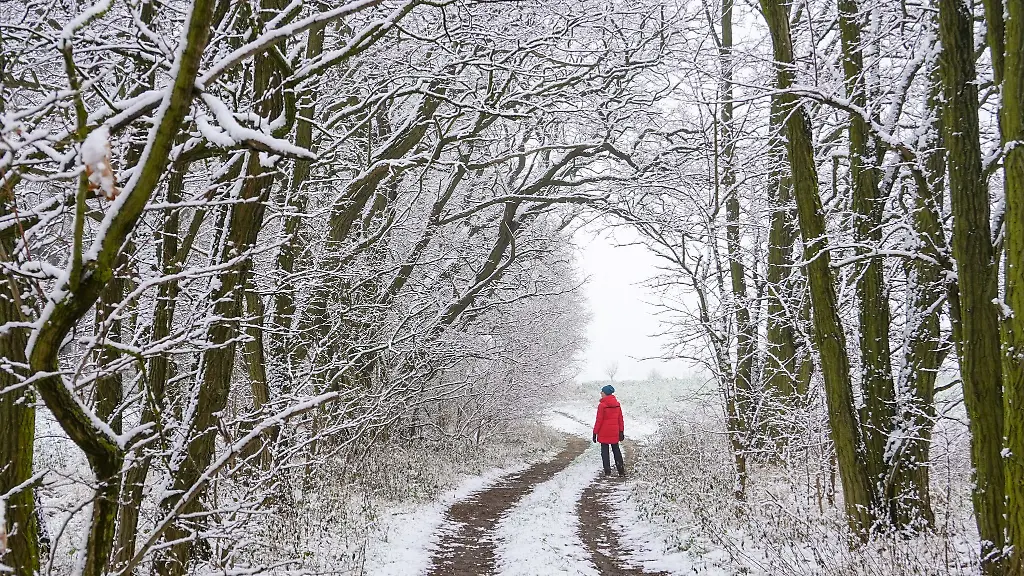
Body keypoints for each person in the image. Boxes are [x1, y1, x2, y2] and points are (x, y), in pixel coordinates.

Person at [592, 384, 625, 477]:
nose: (601, 393)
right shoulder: (617, 405)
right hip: (614, 431)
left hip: (604, 432)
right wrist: (621, 431)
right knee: (616, 451)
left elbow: (599, 420)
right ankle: (621, 471)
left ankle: (607, 472)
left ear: (605, 393)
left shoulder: (602, 405)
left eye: (602, 392)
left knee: (605, 452)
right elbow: (620, 419)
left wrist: (595, 432)